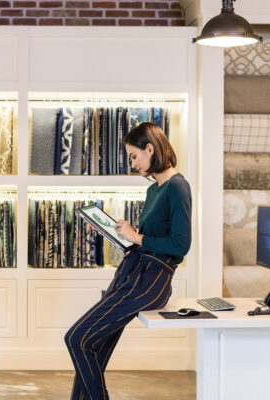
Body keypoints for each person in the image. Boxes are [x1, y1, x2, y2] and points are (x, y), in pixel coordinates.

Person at [65, 122, 192, 400]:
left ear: (150, 148)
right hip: (132, 272)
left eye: (134, 156)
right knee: (91, 346)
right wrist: (123, 235)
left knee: (75, 338)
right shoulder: (153, 190)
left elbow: (181, 245)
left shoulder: (178, 187)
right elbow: (147, 237)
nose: (132, 163)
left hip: (151, 281)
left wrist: (136, 237)